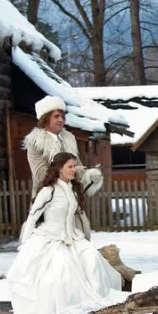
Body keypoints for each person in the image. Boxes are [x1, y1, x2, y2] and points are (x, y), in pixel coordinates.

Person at [6, 152, 128, 314]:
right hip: (50, 238)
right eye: (70, 167)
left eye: (74, 166)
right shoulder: (48, 191)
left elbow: (81, 202)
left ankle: (100, 306)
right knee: (63, 270)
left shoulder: (72, 189)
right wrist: (26, 243)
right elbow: (32, 217)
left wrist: (93, 179)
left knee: (92, 258)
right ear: (59, 168)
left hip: (72, 238)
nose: (74, 170)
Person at [22, 95, 103, 241]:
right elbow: (41, 174)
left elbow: (77, 167)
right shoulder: (35, 142)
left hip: (71, 196)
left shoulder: (69, 139)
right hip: (49, 199)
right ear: (45, 119)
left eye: (62, 116)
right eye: (56, 116)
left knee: (77, 240)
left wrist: (88, 176)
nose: (61, 120)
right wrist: (71, 171)